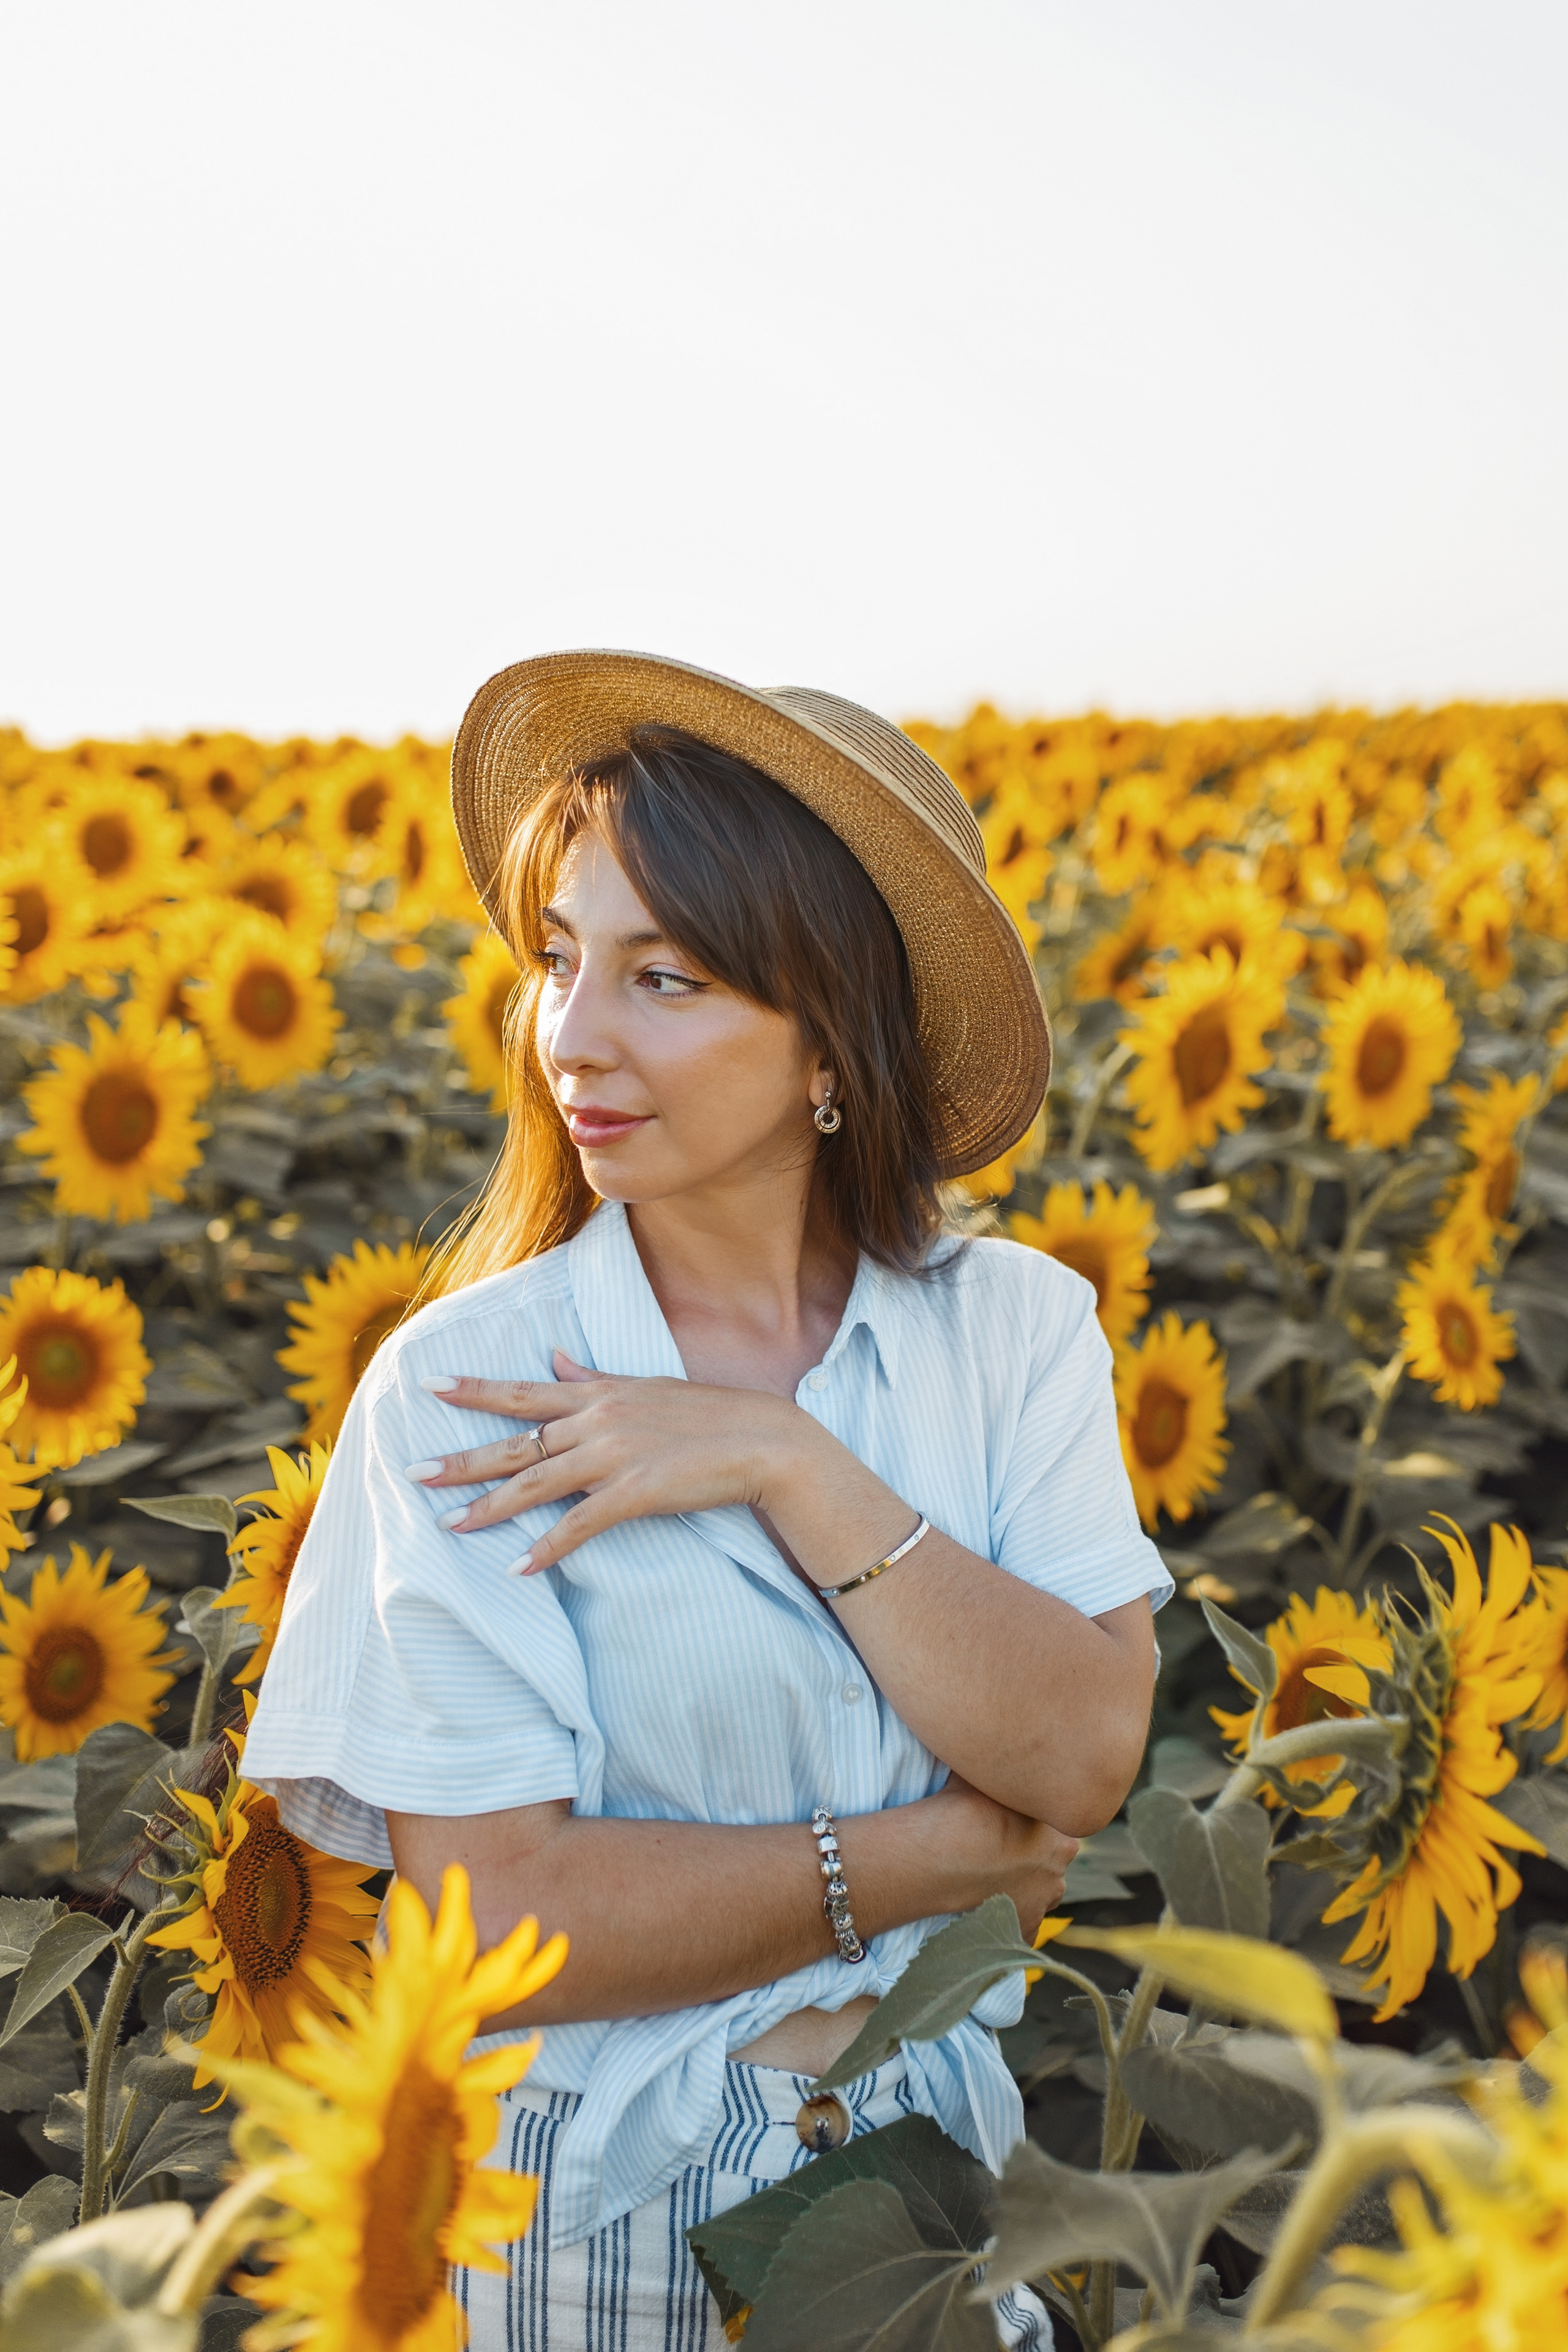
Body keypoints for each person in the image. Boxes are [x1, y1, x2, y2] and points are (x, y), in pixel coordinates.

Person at [244, 650, 1170, 2350]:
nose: (572, 1035)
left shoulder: (1015, 1332)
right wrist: (941, 1855)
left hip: (937, 2191)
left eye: (662, 977)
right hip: (588, 2223)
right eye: (559, 958)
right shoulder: (472, 1385)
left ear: (833, 1040)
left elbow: (1088, 1751)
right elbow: (494, 1914)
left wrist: (782, 1459)